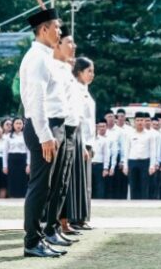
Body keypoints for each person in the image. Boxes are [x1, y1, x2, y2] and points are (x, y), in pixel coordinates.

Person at [19, 7, 67, 258]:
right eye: (57, 27)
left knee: (47, 187)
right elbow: (36, 102)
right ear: (44, 29)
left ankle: (40, 238)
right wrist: (46, 135)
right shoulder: (37, 57)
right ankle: (31, 242)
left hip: (49, 127)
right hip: (42, 128)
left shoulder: (45, 55)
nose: (60, 31)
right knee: (39, 187)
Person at [44, 24, 80, 246]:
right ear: (58, 45)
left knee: (63, 182)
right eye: (69, 42)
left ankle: (54, 225)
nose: (73, 46)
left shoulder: (66, 69)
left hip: (70, 128)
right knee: (54, 182)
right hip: (59, 127)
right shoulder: (52, 67)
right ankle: (47, 228)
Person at [64, 56, 94, 232]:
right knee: (77, 181)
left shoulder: (85, 89)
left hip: (87, 140)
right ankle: (75, 217)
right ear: (78, 72)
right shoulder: (75, 89)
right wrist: (82, 145)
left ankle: (82, 217)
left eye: (92, 71)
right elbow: (77, 119)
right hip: (78, 138)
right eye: (88, 71)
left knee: (86, 183)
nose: (92, 74)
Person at [122, 112, 157, 200]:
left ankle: (144, 204)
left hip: (145, 162)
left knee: (144, 185)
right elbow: (126, 150)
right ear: (134, 121)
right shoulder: (129, 134)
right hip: (132, 161)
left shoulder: (150, 135)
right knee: (133, 186)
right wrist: (125, 166)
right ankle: (134, 204)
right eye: (137, 120)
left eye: (142, 120)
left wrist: (152, 165)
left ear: (145, 121)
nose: (140, 122)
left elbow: (153, 151)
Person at [4, 118, 30, 198]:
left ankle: (23, 196)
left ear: (23, 125)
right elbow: (5, 152)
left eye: (20, 123)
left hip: (22, 159)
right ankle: (12, 196)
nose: (18, 125)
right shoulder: (8, 136)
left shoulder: (26, 135)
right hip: (12, 159)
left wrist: (28, 164)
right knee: (12, 179)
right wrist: (5, 166)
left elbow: (29, 151)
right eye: (16, 123)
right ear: (13, 125)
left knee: (23, 179)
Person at [91, 120, 111, 199]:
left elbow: (106, 155)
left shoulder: (103, 140)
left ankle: (100, 201)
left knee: (100, 185)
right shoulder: (87, 140)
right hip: (89, 165)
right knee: (89, 185)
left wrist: (105, 168)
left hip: (99, 165)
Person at [146, 115, 161, 200]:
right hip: (144, 159)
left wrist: (157, 162)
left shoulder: (156, 134)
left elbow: (158, 149)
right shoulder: (143, 132)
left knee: (153, 181)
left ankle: (153, 198)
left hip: (154, 160)